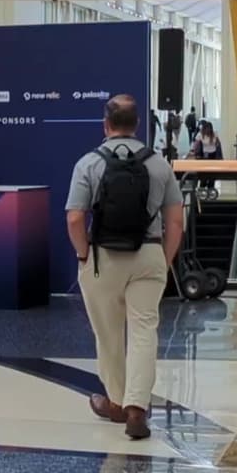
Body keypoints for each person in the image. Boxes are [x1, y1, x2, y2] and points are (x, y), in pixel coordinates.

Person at [66, 95, 183, 439]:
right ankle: (137, 408)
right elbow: (176, 222)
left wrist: (84, 254)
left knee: (109, 334)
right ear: (137, 126)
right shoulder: (159, 164)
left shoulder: (88, 163)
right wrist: (165, 257)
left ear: (106, 125)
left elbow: (74, 217)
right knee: (144, 332)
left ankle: (116, 402)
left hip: (103, 259)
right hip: (148, 256)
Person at [189, 120, 223, 192]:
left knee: (212, 173)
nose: (208, 130)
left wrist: (219, 154)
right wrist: (193, 152)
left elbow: (218, 143)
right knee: (204, 173)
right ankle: (202, 187)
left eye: (210, 129)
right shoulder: (200, 134)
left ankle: (211, 187)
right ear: (204, 129)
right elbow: (196, 144)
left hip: (213, 155)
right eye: (207, 129)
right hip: (205, 156)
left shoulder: (214, 133)